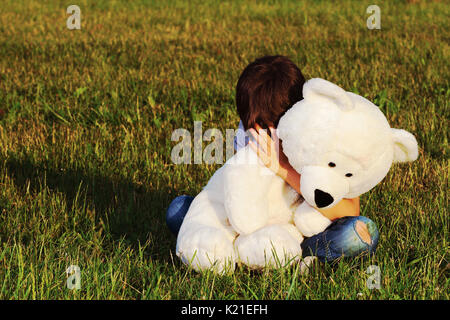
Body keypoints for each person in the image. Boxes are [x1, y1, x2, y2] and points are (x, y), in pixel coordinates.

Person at [166, 55, 379, 264]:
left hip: (303, 225)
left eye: (273, 127)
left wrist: (281, 167)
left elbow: (350, 210)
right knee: (178, 209)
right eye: (256, 127)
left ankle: (293, 251)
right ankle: (239, 246)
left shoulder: (321, 135)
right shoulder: (252, 133)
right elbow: (240, 190)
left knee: (358, 234)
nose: (267, 136)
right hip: (256, 221)